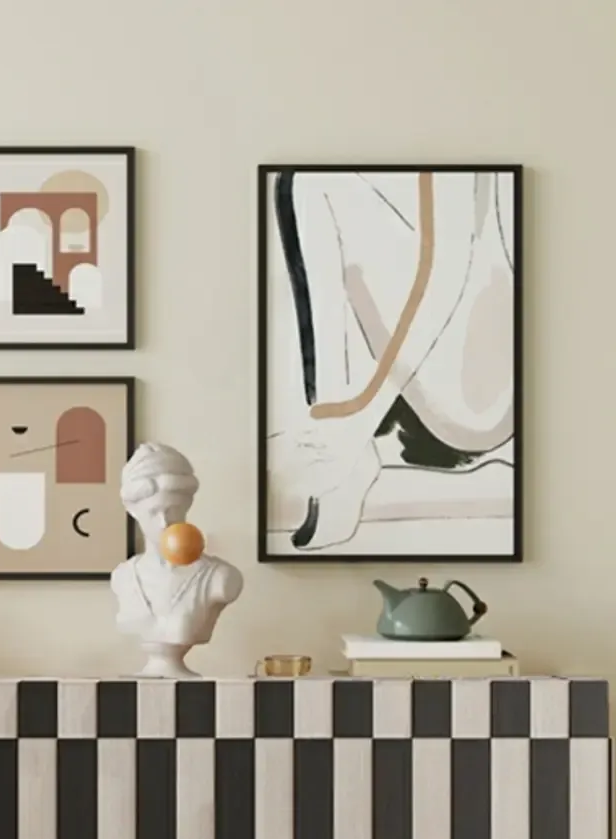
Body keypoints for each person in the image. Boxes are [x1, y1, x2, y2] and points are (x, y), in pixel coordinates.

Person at [267, 169, 516, 552]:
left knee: (308, 182)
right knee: (311, 183)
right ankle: (336, 434)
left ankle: (340, 442)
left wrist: (352, 423)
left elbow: (445, 278)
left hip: (473, 397)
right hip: (407, 393)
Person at [112, 444, 242, 677]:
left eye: (173, 510)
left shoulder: (219, 577)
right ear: (132, 510)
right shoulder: (123, 576)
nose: (164, 523)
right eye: (153, 512)